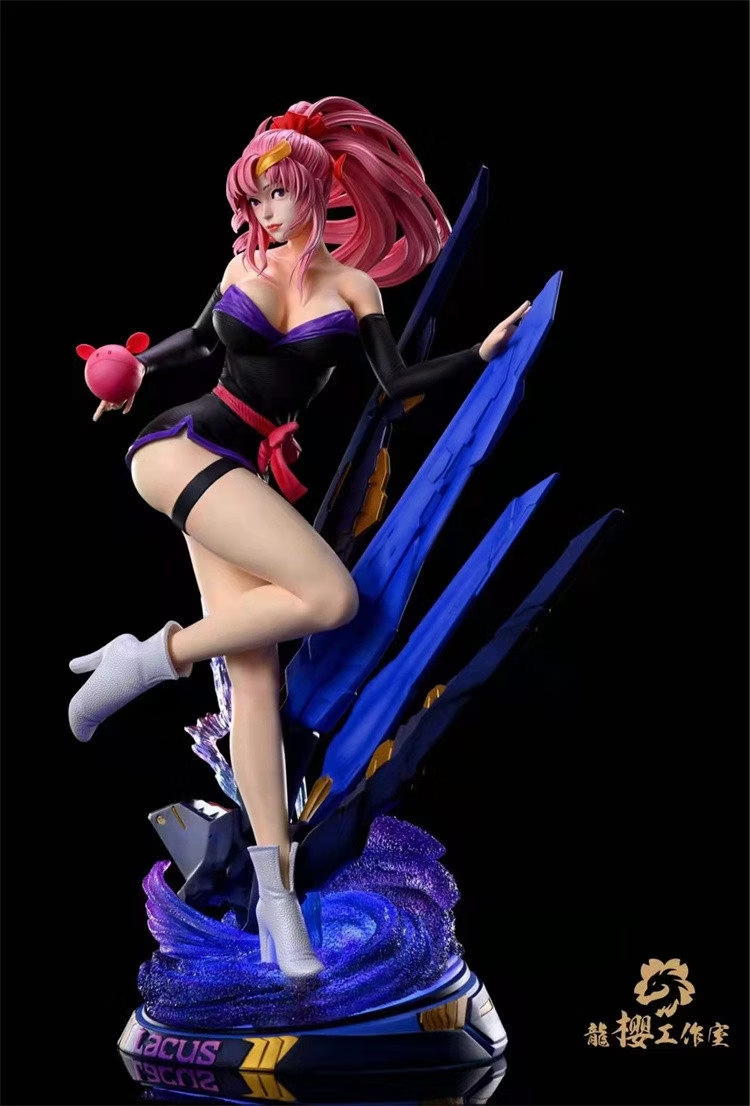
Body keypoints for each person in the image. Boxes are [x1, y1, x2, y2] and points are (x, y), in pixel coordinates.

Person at [68, 95, 530, 980]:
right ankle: (151, 657)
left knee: (256, 680)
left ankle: (278, 906)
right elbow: (193, 341)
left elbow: (396, 384)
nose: (267, 211)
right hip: (178, 446)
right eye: (258, 196)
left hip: (238, 475)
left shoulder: (352, 290)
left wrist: (479, 354)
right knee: (329, 597)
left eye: (280, 194)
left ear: (317, 193)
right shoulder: (242, 266)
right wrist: (131, 379)